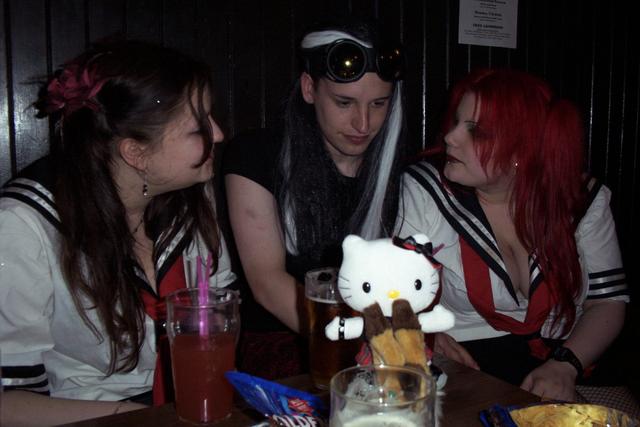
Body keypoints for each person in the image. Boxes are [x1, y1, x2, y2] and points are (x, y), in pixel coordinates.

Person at [0, 40, 236, 425]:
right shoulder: (22, 226)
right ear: (135, 153)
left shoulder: (190, 197)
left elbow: (219, 319)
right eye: (199, 127)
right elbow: (7, 402)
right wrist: (142, 418)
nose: (219, 134)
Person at [396, 68, 628, 402]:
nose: (450, 137)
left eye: (475, 131)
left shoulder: (581, 200)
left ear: (522, 152)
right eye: (457, 122)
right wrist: (418, 328)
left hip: (573, 355)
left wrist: (565, 366)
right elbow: (391, 290)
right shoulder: (425, 190)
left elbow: (608, 301)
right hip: (469, 362)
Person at [223, 17, 406, 377]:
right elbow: (266, 283)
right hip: (279, 345)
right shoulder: (254, 155)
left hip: (369, 342)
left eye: (378, 104)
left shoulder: (397, 174)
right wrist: (355, 346)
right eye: (344, 102)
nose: (363, 123)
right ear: (309, 89)